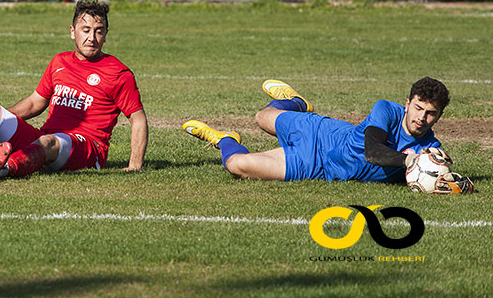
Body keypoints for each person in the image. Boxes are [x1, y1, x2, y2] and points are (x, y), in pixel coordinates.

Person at [0, 0, 149, 180]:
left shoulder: (118, 73)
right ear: (73, 32)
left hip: (86, 149)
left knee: (48, 142)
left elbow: (137, 119)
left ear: (106, 34)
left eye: (99, 31)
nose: (92, 38)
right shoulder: (59, 61)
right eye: (86, 30)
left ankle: (0, 170)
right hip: (44, 140)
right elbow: (35, 103)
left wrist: (135, 165)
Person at [183, 77, 461, 185]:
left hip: (314, 167)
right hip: (322, 134)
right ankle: (297, 102)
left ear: (439, 116)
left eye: (430, 113)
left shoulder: (430, 150)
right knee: (263, 117)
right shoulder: (386, 110)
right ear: (407, 104)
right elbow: (372, 151)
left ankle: (224, 140)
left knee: (236, 164)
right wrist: (407, 160)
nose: (421, 118)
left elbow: (431, 177)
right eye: (418, 108)